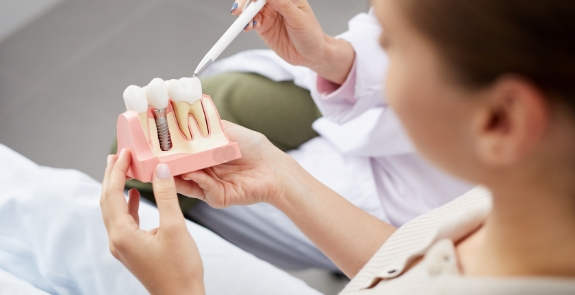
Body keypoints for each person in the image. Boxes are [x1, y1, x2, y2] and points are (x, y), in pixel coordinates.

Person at [101, 0, 575, 294]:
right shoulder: (509, 212)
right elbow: (407, 262)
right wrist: (281, 179)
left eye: (391, 46)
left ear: (500, 121)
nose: (377, 58)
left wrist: (181, 290)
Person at [120, 1, 473, 270]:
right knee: (217, 98)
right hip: (375, 112)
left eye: (394, 44)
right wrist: (329, 56)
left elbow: (404, 270)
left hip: (401, 203)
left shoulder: (466, 255)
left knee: (152, 182)